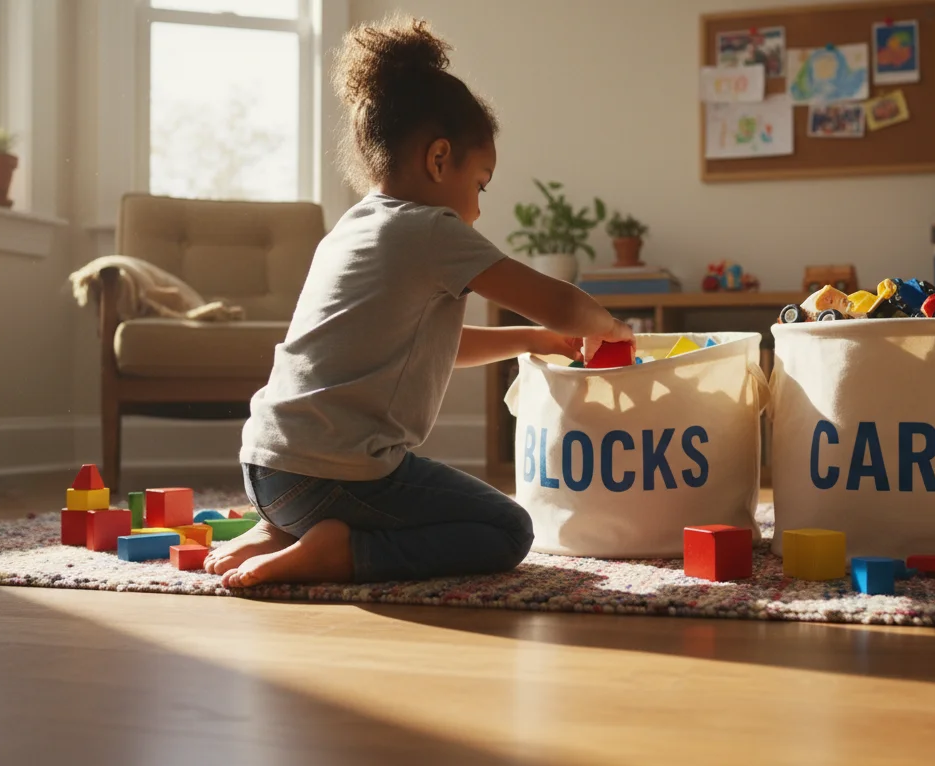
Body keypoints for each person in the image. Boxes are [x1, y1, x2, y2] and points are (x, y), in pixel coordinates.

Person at [206, 15, 633, 588]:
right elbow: (560, 304)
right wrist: (607, 326)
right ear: (438, 159)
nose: (477, 208)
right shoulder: (431, 229)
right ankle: (341, 552)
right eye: (479, 184)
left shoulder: (351, 229)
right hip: (338, 476)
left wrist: (532, 341)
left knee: (411, 497)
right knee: (507, 528)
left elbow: (434, 346)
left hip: (269, 469)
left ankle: (283, 530)